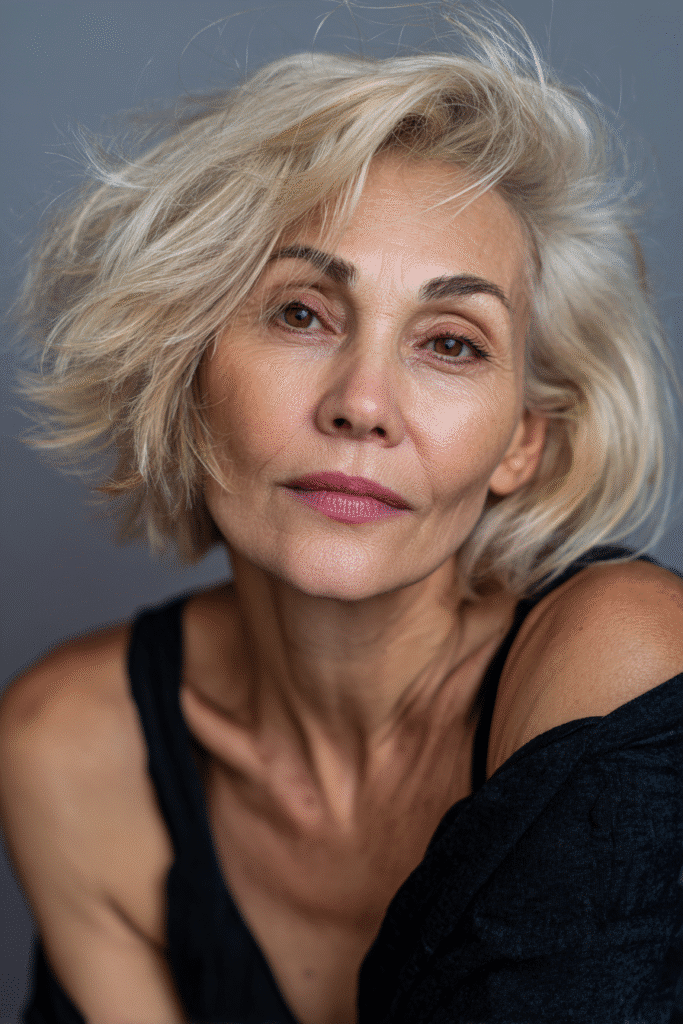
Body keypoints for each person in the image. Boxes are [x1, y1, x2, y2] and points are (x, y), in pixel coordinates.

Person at [1, 4, 682, 1023]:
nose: (361, 404)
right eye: (300, 313)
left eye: (450, 342)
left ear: (520, 444)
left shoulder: (618, 661)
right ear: (183, 374)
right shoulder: (70, 747)